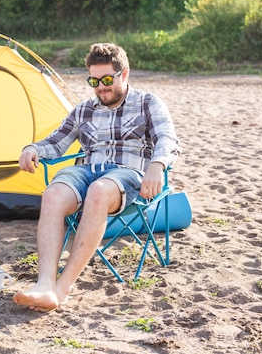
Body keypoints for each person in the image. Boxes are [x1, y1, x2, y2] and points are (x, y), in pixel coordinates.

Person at [12, 42, 181, 312]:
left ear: (123, 74)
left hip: (127, 175)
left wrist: (157, 165)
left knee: (100, 191)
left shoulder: (148, 102)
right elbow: (56, 143)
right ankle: (44, 284)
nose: (100, 87)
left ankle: (62, 286)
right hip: (87, 171)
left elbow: (168, 139)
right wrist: (31, 148)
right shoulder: (84, 109)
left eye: (106, 79)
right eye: (94, 80)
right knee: (53, 193)